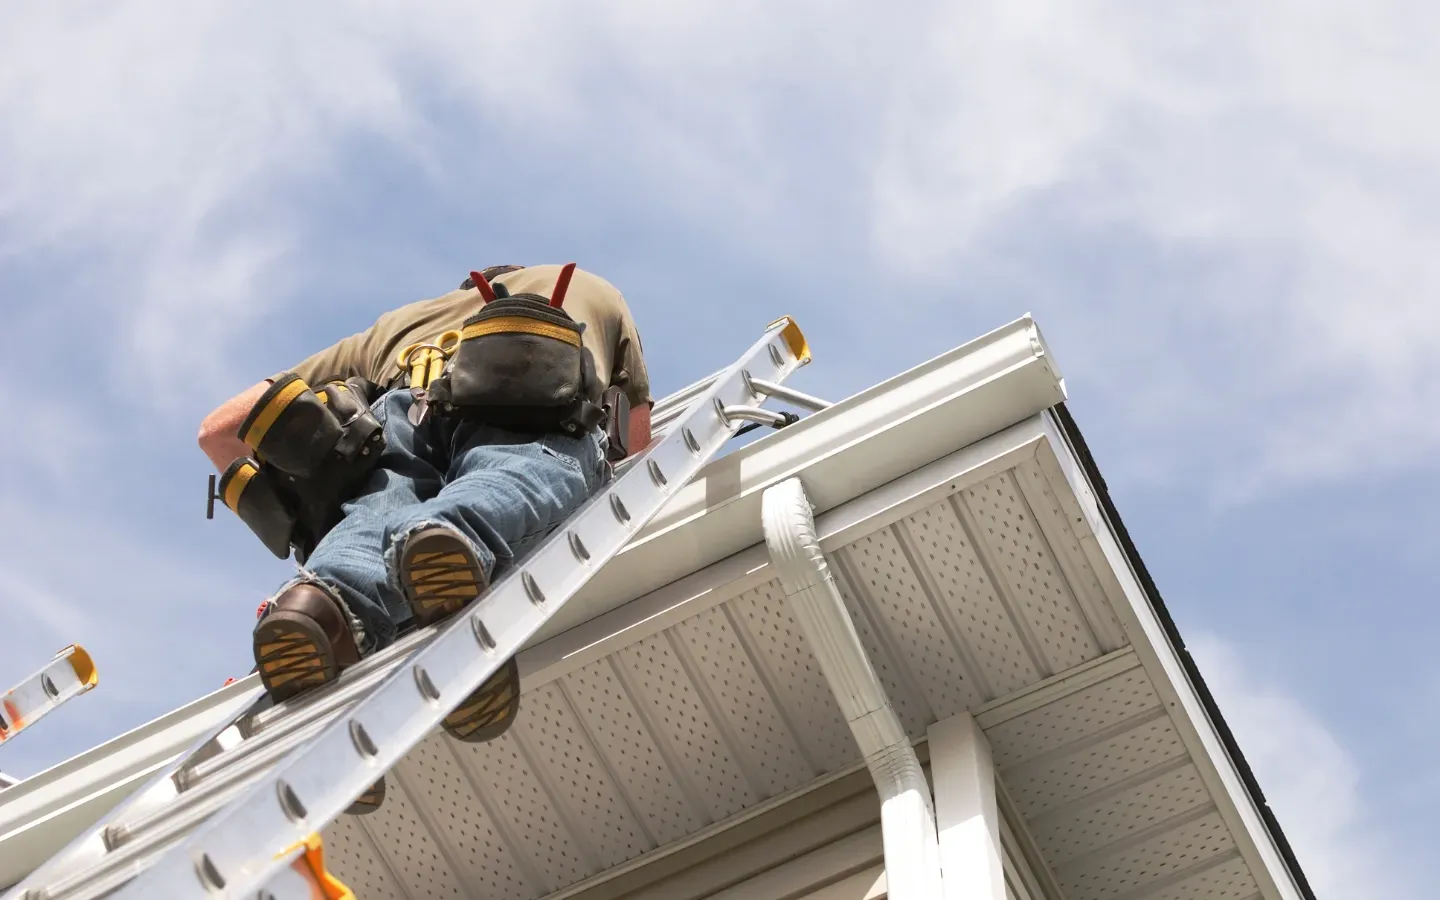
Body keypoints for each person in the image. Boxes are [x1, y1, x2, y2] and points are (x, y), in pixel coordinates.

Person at [198, 263, 652, 812]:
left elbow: (221, 429)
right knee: (519, 472)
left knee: (370, 521)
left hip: (400, 414)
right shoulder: (591, 290)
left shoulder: (395, 327)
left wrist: (295, 512)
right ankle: (452, 536)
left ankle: (316, 603)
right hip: (528, 379)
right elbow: (641, 447)